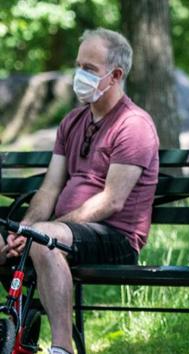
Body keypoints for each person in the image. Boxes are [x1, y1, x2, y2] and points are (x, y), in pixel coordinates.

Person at [0, 28, 159, 354]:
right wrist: (25, 229)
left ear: (115, 75)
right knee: (25, 237)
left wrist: (41, 233)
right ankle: (16, 334)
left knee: (44, 241)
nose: (78, 75)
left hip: (116, 237)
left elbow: (112, 201)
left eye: (89, 69)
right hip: (64, 232)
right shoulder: (72, 121)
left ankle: (62, 348)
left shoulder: (134, 125)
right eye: (78, 65)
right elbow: (50, 188)